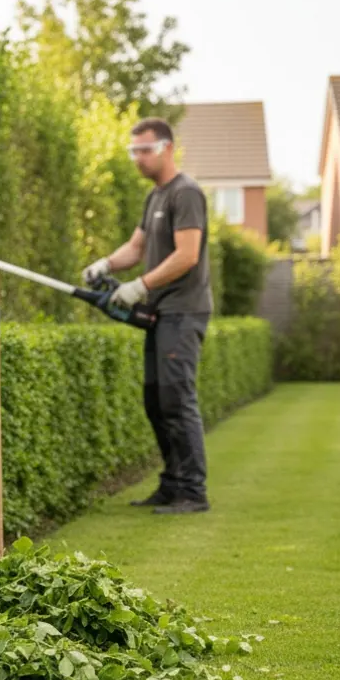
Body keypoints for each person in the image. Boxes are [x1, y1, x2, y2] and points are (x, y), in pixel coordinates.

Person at [81, 117, 213, 515]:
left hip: (183, 311)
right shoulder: (155, 196)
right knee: (156, 400)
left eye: (145, 150)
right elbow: (136, 248)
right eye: (133, 151)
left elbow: (187, 255)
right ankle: (172, 484)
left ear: (167, 149)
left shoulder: (185, 193)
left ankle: (193, 491)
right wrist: (106, 264)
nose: (138, 159)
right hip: (162, 313)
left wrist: (140, 287)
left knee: (177, 399)